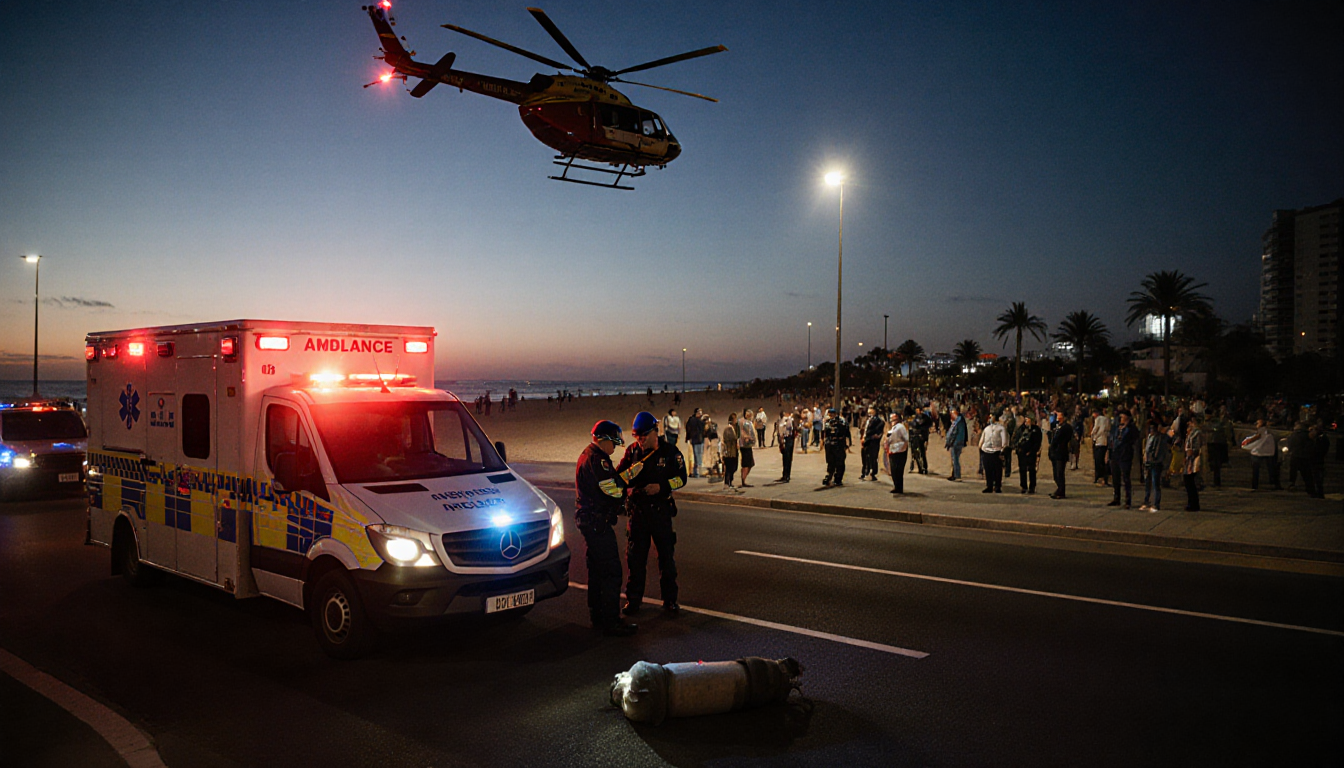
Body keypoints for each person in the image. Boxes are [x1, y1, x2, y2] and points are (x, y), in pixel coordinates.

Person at [574, 420, 640, 636]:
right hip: (597, 523)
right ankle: (611, 621)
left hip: (590, 522)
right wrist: (628, 479)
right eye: (614, 444)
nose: (615, 449)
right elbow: (610, 488)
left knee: (596, 572)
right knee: (611, 572)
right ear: (605, 441)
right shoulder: (597, 460)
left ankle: (598, 617)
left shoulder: (589, 456)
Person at [618, 411, 687, 616]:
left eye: (643, 437)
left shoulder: (670, 452)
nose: (640, 441)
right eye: (637, 437)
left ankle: (670, 601)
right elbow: (620, 477)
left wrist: (662, 486)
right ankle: (633, 601)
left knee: (666, 559)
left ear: (654, 433)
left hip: (660, 512)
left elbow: (682, 479)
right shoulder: (632, 452)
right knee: (635, 560)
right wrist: (629, 479)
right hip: (638, 514)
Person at [1106, 411, 1139, 509]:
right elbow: (1111, 440)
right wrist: (1109, 453)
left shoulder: (1131, 429)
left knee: (1125, 478)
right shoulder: (1116, 428)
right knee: (1115, 478)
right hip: (1115, 455)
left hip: (1125, 456)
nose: (1121, 419)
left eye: (1123, 417)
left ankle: (1128, 500)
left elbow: (1135, 437)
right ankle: (1116, 498)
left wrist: (1128, 425)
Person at [1240, 420, 1281, 490]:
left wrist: (1248, 445)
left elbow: (1256, 440)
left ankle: (1255, 485)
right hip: (1267, 453)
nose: (1256, 424)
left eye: (1258, 423)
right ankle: (1275, 484)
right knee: (1271, 469)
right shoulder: (1267, 433)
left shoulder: (1261, 432)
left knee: (1256, 471)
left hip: (1258, 453)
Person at [1139, 420, 1170, 512]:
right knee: (1147, 483)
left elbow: (1156, 451)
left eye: (1152, 428)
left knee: (1155, 482)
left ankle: (1156, 503)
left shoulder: (1159, 438)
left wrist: (1152, 458)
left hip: (1155, 463)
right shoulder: (1149, 437)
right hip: (1148, 462)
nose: (1151, 430)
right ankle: (1147, 500)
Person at [821, 407, 852, 486]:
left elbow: (846, 433)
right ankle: (829, 476)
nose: (831, 415)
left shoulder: (842, 421)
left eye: (832, 414)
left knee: (840, 462)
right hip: (829, 443)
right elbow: (824, 432)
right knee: (830, 461)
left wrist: (847, 444)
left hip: (839, 443)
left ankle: (838, 478)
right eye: (829, 414)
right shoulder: (827, 422)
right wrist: (822, 442)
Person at [1203, 409, 1233, 487]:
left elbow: (1216, 428)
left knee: (1216, 463)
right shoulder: (1207, 422)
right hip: (1211, 443)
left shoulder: (1216, 422)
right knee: (1212, 463)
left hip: (1216, 444)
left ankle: (1216, 481)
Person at [1013, 414, 1042, 494]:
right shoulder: (1021, 429)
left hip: (1031, 453)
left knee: (1032, 470)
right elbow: (1016, 438)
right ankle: (1023, 486)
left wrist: (1032, 451)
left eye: (1027, 419)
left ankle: (1032, 487)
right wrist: (1017, 448)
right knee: (1022, 470)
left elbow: (1037, 442)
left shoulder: (1036, 430)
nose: (1026, 421)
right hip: (1021, 453)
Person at [1180, 415, 1205, 511]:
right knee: (1188, 482)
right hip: (1188, 459)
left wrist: (1191, 452)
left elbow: (1196, 447)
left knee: (1190, 482)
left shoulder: (1197, 433)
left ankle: (1194, 503)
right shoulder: (1190, 432)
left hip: (1193, 459)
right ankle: (1191, 502)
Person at [1048, 409, 1074, 499]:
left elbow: (1062, 439)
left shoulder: (1066, 427)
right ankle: (1059, 489)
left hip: (1061, 452)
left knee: (1059, 472)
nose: (1057, 417)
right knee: (1056, 473)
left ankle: (1061, 491)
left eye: (1058, 415)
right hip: (1055, 452)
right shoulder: (1057, 426)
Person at [979, 413, 1008, 493]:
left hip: (996, 451)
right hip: (986, 451)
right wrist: (981, 447)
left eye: (992, 417)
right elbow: (983, 438)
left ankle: (997, 486)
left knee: (997, 470)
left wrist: (1002, 450)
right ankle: (989, 485)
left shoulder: (1001, 428)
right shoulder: (987, 428)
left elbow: (1004, 440)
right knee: (988, 470)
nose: (990, 419)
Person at [885, 410, 910, 494]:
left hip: (899, 451)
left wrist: (903, 448)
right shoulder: (893, 427)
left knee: (898, 470)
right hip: (893, 450)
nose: (892, 420)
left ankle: (899, 488)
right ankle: (896, 486)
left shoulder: (900, 427)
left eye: (894, 418)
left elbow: (906, 439)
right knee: (893, 470)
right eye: (891, 418)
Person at [860, 407, 885, 481]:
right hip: (865, 440)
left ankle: (872, 472)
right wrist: (862, 437)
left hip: (872, 441)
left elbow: (878, 431)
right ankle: (865, 472)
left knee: (872, 457)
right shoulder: (866, 420)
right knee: (864, 456)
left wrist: (877, 435)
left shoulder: (879, 421)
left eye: (871, 410)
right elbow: (863, 429)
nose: (869, 412)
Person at [945, 408, 968, 481]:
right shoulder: (959, 421)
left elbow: (954, 433)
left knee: (955, 459)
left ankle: (957, 475)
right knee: (955, 459)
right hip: (957, 442)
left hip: (956, 442)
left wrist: (949, 442)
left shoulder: (958, 422)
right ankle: (954, 474)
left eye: (952, 414)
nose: (951, 416)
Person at [1090, 407, 1111, 486]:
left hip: (1099, 441)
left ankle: (1099, 476)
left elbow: (1096, 429)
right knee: (1103, 461)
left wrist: (1093, 436)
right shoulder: (1107, 419)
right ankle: (1104, 478)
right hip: (1105, 441)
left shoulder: (1098, 419)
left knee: (1098, 460)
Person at [1307, 424, 1329, 499]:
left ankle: (1319, 492)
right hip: (1317, 460)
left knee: (1317, 477)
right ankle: (1318, 492)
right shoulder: (1321, 438)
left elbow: (1318, 450)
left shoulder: (1321, 439)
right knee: (1316, 477)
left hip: (1317, 460)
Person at [737, 409, 757, 487]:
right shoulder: (744, 422)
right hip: (745, 445)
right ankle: (743, 480)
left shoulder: (745, 422)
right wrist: (747, 437)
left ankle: (743, 479)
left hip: (747, 445)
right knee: (747, 463)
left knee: (749, 463)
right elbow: (744, 433)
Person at [910, 407, 931, 474]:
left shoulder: (925, 418)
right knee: (915, 453)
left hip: (922, 437)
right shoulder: (916, 418)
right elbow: (912, 425)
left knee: (922, 453)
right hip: (915, 437)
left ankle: (924, 467)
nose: (917, 411)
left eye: (918, 410)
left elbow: (926, 427)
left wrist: (926, 439)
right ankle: (919, 468)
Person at [776, 410, 796, 482]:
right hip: (785, 439)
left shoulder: (790, 420)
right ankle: (785, 474)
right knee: (785, 457)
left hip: (788, 439)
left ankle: (787, 475)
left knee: (788, 457)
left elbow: (793, 430)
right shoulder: (780, 421)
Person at [685, 408, 705, 478]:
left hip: (700, 439)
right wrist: (689, 437)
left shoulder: (700, 420)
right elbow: (689, 428)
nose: (700, 414)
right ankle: (696, 472)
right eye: (699, 412)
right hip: (695, 439)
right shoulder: (692, 420)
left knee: (700, 455)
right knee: (697, 456)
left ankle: (698, 471)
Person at [721, 413, 740, 489]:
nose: (736, 420)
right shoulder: (728, 428)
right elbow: (732, 438)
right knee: (729, 467)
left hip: (734, 451)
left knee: (734, 467)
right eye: (735, 419)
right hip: (729, 452)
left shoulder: (735, 428)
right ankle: (727, 482)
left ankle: (730, 481)